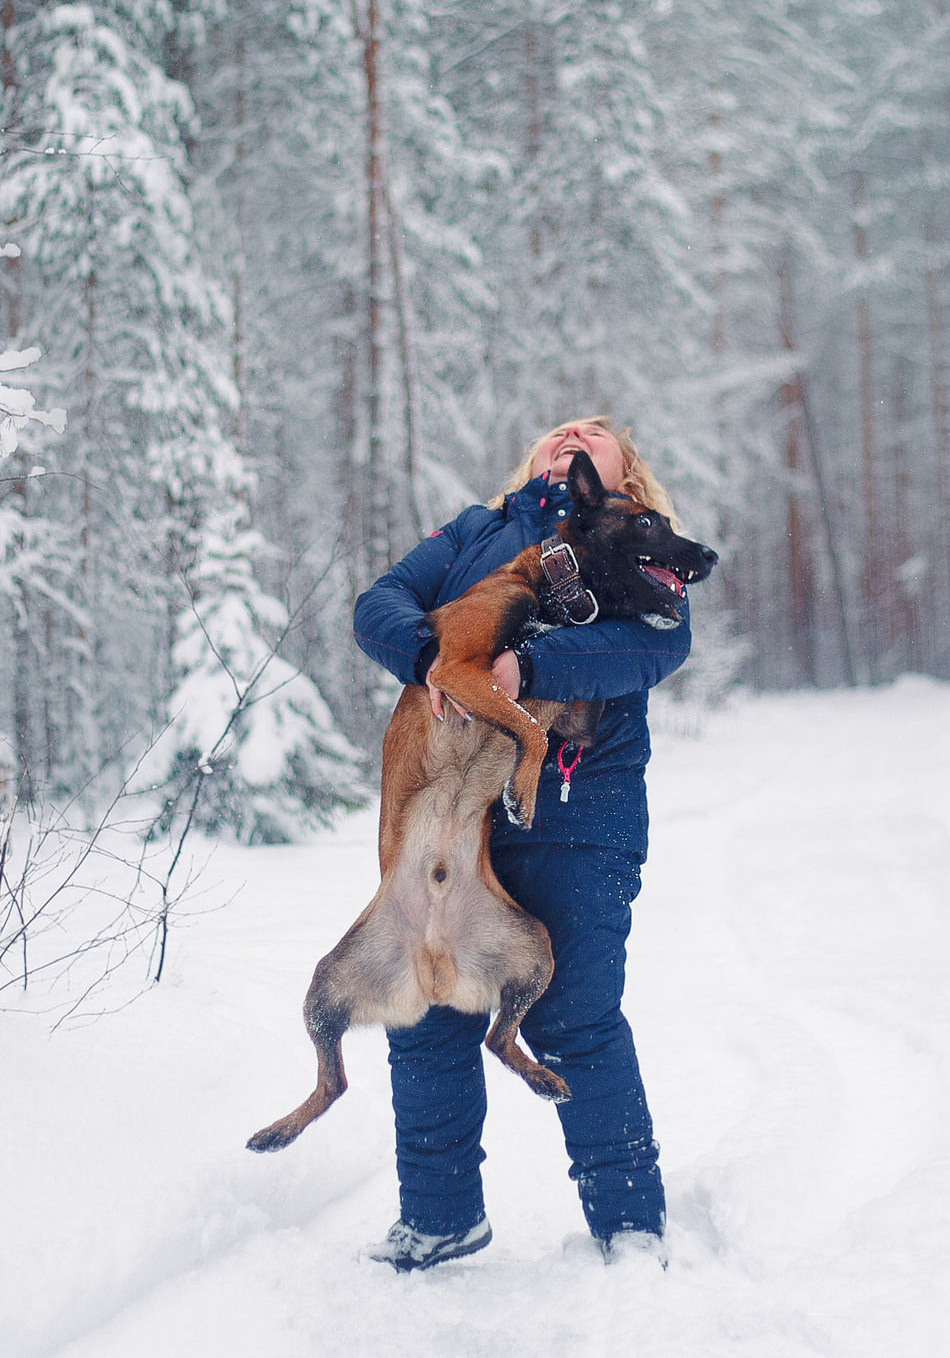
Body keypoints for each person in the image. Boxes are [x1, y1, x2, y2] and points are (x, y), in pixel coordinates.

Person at [350, 416, 693, 1271]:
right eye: (561, 426)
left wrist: (527, 669)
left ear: (628, 474)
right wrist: (440, 654)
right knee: (428, 1010)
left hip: (580, 811)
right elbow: (377, 605)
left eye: (600, 430)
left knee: (573, 1012)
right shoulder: (479, 528)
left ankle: (630, 1224)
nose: (575, 429)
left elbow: (656, 643)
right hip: (457, 816)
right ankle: (439, 1219)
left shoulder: (641, 542)